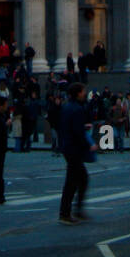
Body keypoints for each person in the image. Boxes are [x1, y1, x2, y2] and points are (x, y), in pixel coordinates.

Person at [58, 83, 90, 224]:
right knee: (73, 181)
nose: (85, 94)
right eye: (83, 92)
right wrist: (89, 145)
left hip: (67, 146)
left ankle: (75, 210)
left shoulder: (66, 107)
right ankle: (66, 213)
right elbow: (78, 132)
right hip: (74, 148)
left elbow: (68, 126)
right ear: (78, 93)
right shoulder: (78, 109)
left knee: (80, 179)